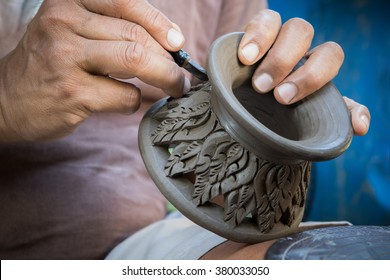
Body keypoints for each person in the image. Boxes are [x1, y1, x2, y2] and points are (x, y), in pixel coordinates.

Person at [0, 0, 370, 259]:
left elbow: (225, 204)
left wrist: (286, 111)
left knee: (326, 258)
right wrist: (5, 98)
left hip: (150, 242)